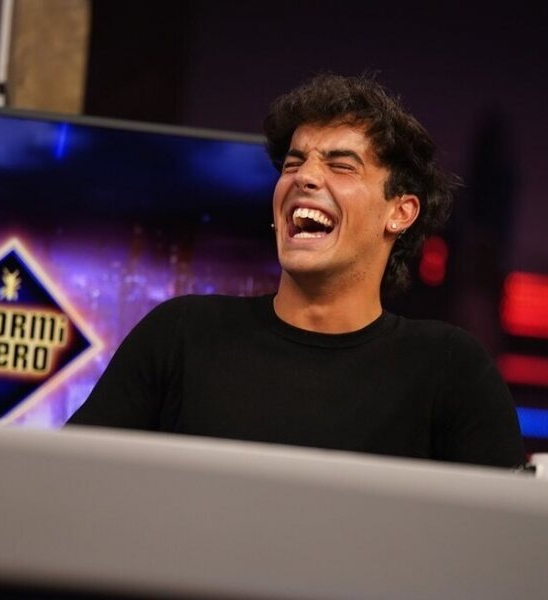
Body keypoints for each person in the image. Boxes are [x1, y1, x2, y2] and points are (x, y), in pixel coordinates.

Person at [67, 72, 526, 469]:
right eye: (293, 163)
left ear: (400, 212)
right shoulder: (180, 335)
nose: (304, 177)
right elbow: (66, 485)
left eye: (341, 166)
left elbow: (503, 535)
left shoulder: (451, 370)